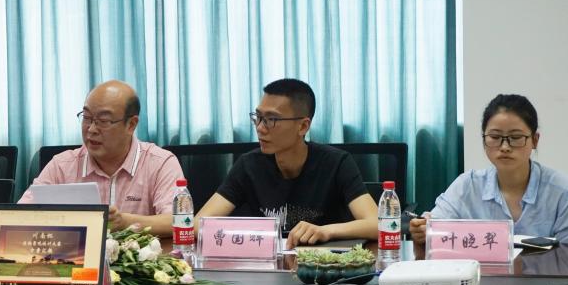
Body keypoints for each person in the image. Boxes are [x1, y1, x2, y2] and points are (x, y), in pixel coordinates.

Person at [195, 78, 378, 248]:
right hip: (267, 264)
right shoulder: (249, 165)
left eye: (271, 119)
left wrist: (325, 231)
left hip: (320, 266)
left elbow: (378, 224)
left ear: (303, 126)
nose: (260, 128)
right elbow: (198, 225)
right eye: (258, 117)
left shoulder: (336, 163)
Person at [410, 94, 568, 244]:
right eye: (495, 137)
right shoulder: (467, 186)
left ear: (534, 140)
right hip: (480, 275)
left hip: (545, 276)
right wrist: (424, 228)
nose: (505, 147)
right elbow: (435, 225)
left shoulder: (565, 193)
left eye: (515, 137)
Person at [19, 80, 184, 235]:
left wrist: (126, 222)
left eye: (103, 121)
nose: (91, 129)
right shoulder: (62, 166)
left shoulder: (160, 163)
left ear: (131, 124)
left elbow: (179, 220)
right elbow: (20, 216)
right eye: (86, 118)